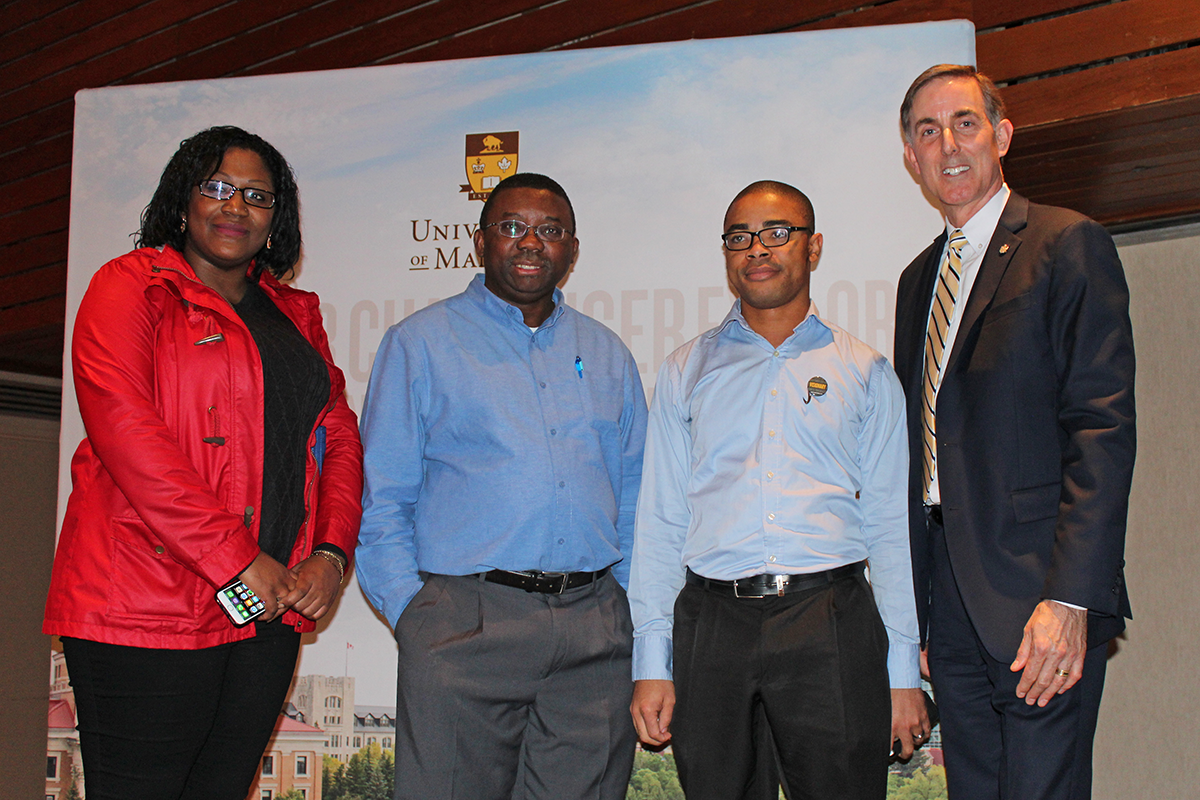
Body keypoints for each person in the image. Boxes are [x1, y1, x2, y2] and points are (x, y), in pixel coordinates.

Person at [43, 126, 364, 800]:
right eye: (216, 187)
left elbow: (336, 433)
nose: (234, 206)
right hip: (145, 602)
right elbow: (128, 436)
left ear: (277, 220)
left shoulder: (294, 315)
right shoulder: (129, 288)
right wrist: (237, 558)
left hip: (267, 611)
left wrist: (331, 556)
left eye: (257, 195)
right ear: (182, 200)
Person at [629, 180, 927, 800]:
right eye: (739, 237)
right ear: (727, 255)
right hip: (711, 624)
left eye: (777, 233)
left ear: (813, 247)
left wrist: (903, 676)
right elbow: (659, 523)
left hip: (831, 619)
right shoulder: (686, 369)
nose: (757, 249)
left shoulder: (865, 372)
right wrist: (651, 665)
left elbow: (889, 533)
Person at [355, 172, 647, 800]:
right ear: (482, 242)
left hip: (595, 630)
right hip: (464, 624)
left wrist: (625, 610)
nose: (530, 243)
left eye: (550, 230)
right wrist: (416, 616)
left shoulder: (607, 354)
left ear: (572, 249)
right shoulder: (419, 344)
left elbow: (635, 496)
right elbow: (382, 498)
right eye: (513, 227)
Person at [893, 65, 1136, 800]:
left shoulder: (1066, 243)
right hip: (952, 607)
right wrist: (922, 616)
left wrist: (1071, 602)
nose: (948, 144)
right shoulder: (915, 280)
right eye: (927, 131)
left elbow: (1102, 428)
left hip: (1039, 597)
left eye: (965, 122)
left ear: (1001, 135)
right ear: (911, 157)